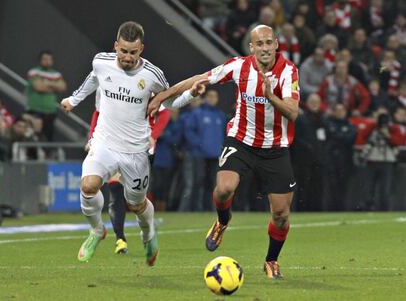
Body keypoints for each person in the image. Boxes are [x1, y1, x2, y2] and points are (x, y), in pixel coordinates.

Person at [148, 25, 300, 280]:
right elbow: (198, 79)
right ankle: (222, 221)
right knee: (224, 189)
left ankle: (271, 260)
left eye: (268, 43)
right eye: (259, 44)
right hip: (241, 140)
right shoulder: (238, 66)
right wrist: (162, 96)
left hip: (275, 148)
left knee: (281, 215)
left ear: (276, 45)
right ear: (251, 47)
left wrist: (270, 96)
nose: (264, 48)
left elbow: (293, 112)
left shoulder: (288, 71)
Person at [60, 21, 204, 264]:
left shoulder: (152, 75)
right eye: (123, 51)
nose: (127, 57)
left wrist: (190, 94)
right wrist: (74, 100)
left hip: (135, 151)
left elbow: (168, 102)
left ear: (141, 50)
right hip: (104, 143)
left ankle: (148, 235)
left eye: (133, 52)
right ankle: (96, 230)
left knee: (136, 204)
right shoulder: (101, 62)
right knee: (88, 186)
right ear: (116, 46)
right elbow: (93, 79)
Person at [86, 88, 171, 254]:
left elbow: (164, 112)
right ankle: (120, 239)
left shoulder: (147, 81)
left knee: (136, 203)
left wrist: (153, 136)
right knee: (115, 189)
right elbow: (98, 112)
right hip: (111, 145)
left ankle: (148, 234)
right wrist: (91, 137)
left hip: (139, 149)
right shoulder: (105, 82)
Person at [26, 50, 67, 141]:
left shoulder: (56, 74)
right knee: (33, 137)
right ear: (40, 60)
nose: (47, 61)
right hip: (35, 110)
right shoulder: (34, 72)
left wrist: (47, 83)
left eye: (49, 59)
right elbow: (39, 87)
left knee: (48, 139)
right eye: (45, 59)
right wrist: (54, 85)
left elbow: (63, 87)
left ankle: (47, 155)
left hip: (50, 111)